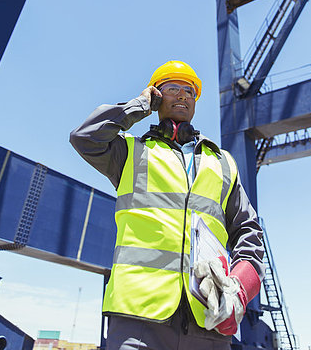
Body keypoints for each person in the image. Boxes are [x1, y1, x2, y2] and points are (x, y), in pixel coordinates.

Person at [70, 60, 264, 350]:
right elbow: (85, 137)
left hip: (208, 319)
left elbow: (249, 231)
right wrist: (138, 106)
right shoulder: (130, 153)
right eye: (173, 88)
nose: (183, 95)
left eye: (190, 91)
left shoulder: (223, 163)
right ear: (156, 96)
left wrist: (239, 289)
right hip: (138, 319)